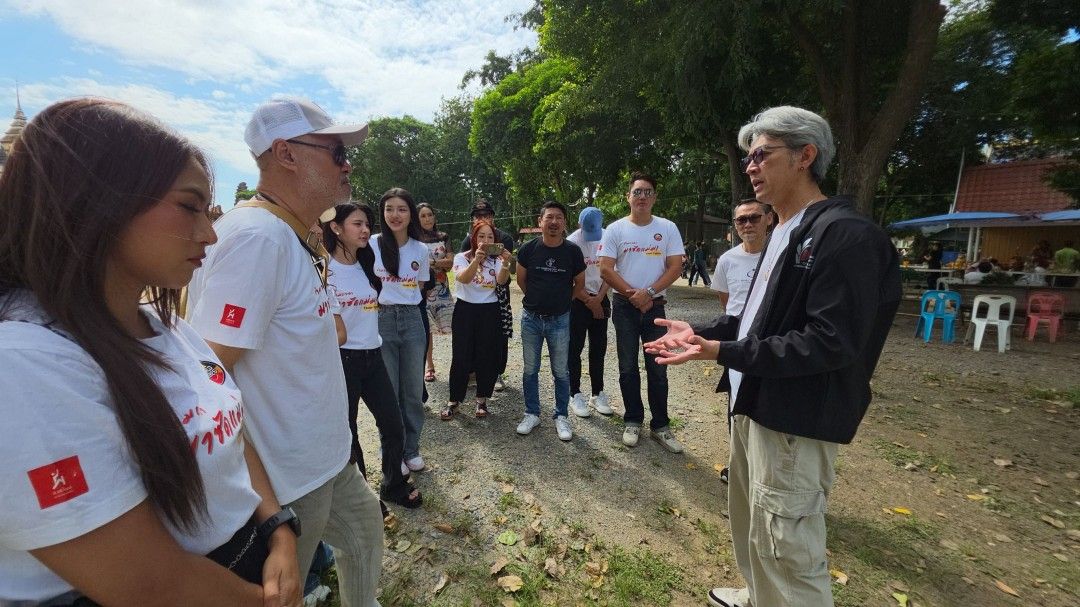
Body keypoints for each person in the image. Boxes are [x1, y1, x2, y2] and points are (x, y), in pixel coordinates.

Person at [0, 98, 300, 605]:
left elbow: (222, 426)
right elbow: (148, 583)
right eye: (189, 207)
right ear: (94, 202)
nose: (209, 233)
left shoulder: (164, 324)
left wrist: (278, 528)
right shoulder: (26, 366)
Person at [644, 106, 900, 607]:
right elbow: (758, 319)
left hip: (794, 418)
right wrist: (699, 331)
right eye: (747, 158)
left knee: (790, 551)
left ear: (806, 156)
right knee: (753, 522)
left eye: (762, 154)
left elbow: (830, 341)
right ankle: (758, 596)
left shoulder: (844, 235)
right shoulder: (782, 231)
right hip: (754, 404)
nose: (750, 167)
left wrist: (721, 351)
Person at [187, 97, 383, 607]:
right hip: (287, 478)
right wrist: (270, 513)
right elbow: (206, 374)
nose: (348, 164)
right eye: (337, 152)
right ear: (286, 154)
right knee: (283, 593)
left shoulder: (286, 234)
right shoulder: (259, 239)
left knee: (364, 536)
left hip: (326, 459)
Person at [324, 202, 422, 510]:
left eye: (367, 224)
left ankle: (393, 484)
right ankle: (363, 500)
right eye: (357, 224)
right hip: (344, 360)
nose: (366, 229)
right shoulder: (324, 269)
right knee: (349, 431)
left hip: (373, 353)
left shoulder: (367, 260)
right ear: (336, 227)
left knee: (392, 425)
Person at [598, 172, 686, 453]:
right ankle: (633, 420)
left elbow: (675, 267)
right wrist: (633, 295)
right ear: (628, 197)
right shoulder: (615, 230)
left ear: (654, 197)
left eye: (648, 192)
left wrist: (647, 293)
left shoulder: (668, 228)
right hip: (625, 307)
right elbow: (605, 269)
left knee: (658, 367)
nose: (642, 197)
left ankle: (661, 425)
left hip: (655, 307)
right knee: (627, 367)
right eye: (637, 192)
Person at [371, 188, 431, 474]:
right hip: (380, 319)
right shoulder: (370, 245)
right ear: (382, 213)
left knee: (412, 391)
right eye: (389, 209)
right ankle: (391, 451)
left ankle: (412, 449)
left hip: (411, 320)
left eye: (402, 209)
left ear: (411, 214)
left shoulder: (421, 250)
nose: (395, 215)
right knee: (389, 392)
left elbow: (420, 285)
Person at [515, 202, 587, 441]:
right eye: (549, 217)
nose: (554, 222)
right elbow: (522, 282)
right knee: (530, 369)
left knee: (560, 370)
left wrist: (562, 303)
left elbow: (580, 284)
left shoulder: (573, 252)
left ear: (564, 223)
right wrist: (538, 300)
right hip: (531, 320)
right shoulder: (528, 249)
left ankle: (561, 415)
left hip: (560, 320)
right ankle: (532, 412)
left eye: (559, 218)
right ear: (540, 221)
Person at [443, 221, 513, 420]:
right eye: (481, 236)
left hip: (490, 311)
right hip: (465, 309)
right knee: (461, 356)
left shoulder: (496, 259)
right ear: (473, 238)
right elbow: (463, 279)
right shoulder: (461, 257)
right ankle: (453, 400)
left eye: (490, 237)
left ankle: (481, 400)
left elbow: (501, 281)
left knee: (486, 356)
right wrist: (476, 261)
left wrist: (506, 262)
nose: (485, 241)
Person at [460, 199, 516, 391]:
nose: (482, 219)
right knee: (474, 336)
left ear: (492, 217)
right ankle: (473, 372)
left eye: (486, 216)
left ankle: (497, 372)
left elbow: (508, 270)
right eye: (478, 216)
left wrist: (505, 260)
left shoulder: (505, 238)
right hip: (475, 294)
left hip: (498, 293)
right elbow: (464, 268)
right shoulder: (468, 240)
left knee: (498, 336)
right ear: (472, 219)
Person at [568, 206, 613, 417]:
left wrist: (599, 299)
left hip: (601, 296)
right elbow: (569, 279)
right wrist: (588, 300)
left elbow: (611, 273)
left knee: (598, 348)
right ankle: (574, 393)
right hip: (578, 299)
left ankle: (597, 393)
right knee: (574, 348)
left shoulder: (608, 238)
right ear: (579, 225)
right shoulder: (571, 242)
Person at [711, 199, 774, 316]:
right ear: (735, 224)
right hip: (735, 331)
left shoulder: (779, 255)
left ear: (769, 218)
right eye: (741, 220)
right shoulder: (726, 260)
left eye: (755, 218)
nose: (748, 225)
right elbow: (726, 301)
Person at [417, 203, 454, 381]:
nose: (427, 219)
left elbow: (450, 263)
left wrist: (431, 264)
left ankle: (461, 365)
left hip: (442, 288)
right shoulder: (414, 239)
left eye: (429, 214)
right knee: (427, 329)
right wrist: (440, 263)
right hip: (423, 290)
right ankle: (429, 366)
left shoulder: (443, 237)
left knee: (452, 324)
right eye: (423, 216)